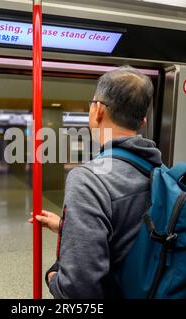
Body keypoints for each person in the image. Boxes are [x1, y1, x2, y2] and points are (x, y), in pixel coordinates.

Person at [28, 66, 162, 298]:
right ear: (143, 120)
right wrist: (67, 227)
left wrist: (53, 279)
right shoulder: (160, 171)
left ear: (98, 110)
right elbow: (132, 234)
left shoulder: (88, 180)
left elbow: (79, 290)